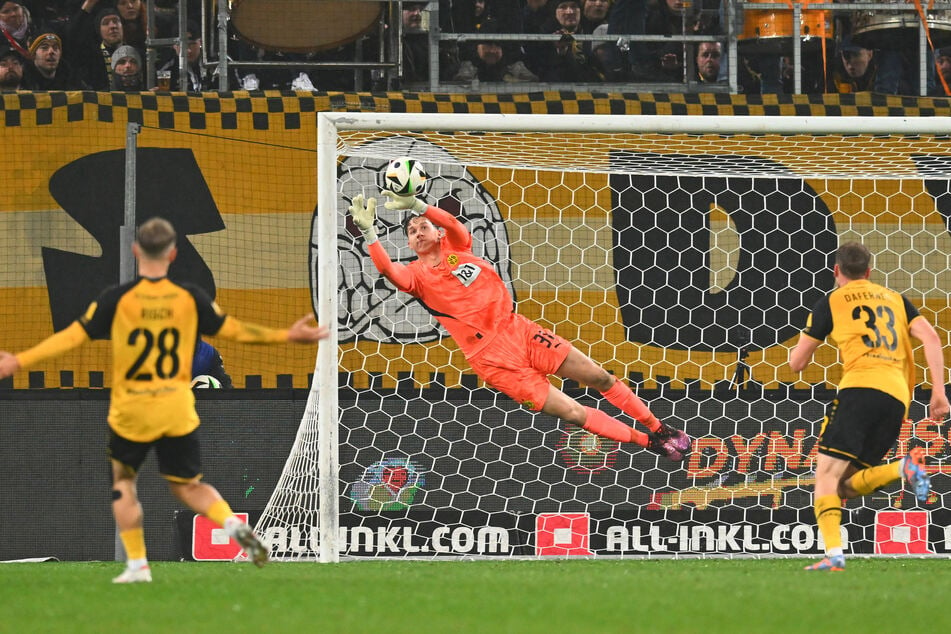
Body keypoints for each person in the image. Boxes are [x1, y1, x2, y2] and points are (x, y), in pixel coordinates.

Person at [0, 217, 329, 583]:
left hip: (133, 408)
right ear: (173, 254)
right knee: (190, 486)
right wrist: (287, 335)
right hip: (176, 407)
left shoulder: (117, 299)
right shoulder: (189, 298)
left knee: (123, 483)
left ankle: (138, 566)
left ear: (136, 250)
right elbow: (235, 330)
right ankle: (242, 536)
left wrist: (19, 360)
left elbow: (72, 337)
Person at [346, 186, 692, 464]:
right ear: (408, 244)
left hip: (519, 331)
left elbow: (452, 224)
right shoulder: (416, 277)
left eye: (421, 226)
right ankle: (648, 443)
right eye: (410, 231)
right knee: (572, 413)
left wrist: (420, 205)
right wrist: (371, 234)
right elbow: (389, 271)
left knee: (600, 377)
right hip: (492, 359)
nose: (416, 231)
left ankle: (658, 427)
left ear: (436, 233)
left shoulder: (458, 247)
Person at [789, 242, 949, 572]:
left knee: (825, 477)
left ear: (836, 271)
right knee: (845, 484)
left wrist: (814, 340)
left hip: (859, 390)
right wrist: (938, 393)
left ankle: (834, 555)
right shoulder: (896, 300)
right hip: (896, 399)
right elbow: (932, 338)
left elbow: (796, 364)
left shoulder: (830, 302)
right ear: (869, 272)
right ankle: (900, 469)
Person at [66, 2, 125, 91]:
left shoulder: (135, 53)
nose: (113, 26)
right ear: (99, 31)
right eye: (106, 23)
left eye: (116, 21)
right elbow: (72, 36)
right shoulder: (90, 57)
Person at [22, 30, 88, 89]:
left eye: (55, 48)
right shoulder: (23, 80)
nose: (51, 51)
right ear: (34, 54)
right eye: (44, 48)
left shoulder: (72, 79)